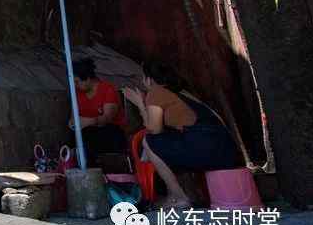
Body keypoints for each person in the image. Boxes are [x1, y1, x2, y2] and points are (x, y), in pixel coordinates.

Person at [122, 61, 240, 209]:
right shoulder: (183, 92)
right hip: (226, 152)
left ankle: (180, 197)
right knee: (168, 141)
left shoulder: (156, 92)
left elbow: (154, 129)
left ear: (149, 79)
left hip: (207, 151)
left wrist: (140, 103)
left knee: (149, 141)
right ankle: (189, 194)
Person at [70, 58, 128, 166]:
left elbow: (107, 118)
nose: (75, 85)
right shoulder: (77, 94)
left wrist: (89, 121)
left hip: (109, 133)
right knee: (77, 137)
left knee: (102, 134)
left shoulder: (107, 89)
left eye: (77, 82)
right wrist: (73, 123)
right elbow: (73, 117)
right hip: (87, 134)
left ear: (88, 78)